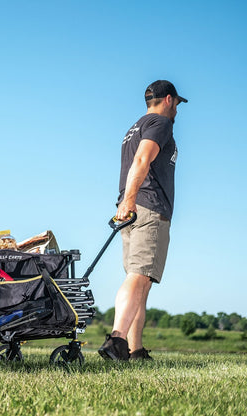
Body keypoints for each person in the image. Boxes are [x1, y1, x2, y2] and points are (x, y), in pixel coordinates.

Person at [98, 80, 188, 361]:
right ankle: (117, 340)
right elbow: (141, 160)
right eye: (176, 105)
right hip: (147, 208)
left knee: (141, 279)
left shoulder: (135, 126)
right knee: (139, 275)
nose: (176, 110)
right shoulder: (161, 124)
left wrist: (127, 201)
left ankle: (135, 349)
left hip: (134, 207)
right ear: (169, 100)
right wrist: (129, 200)